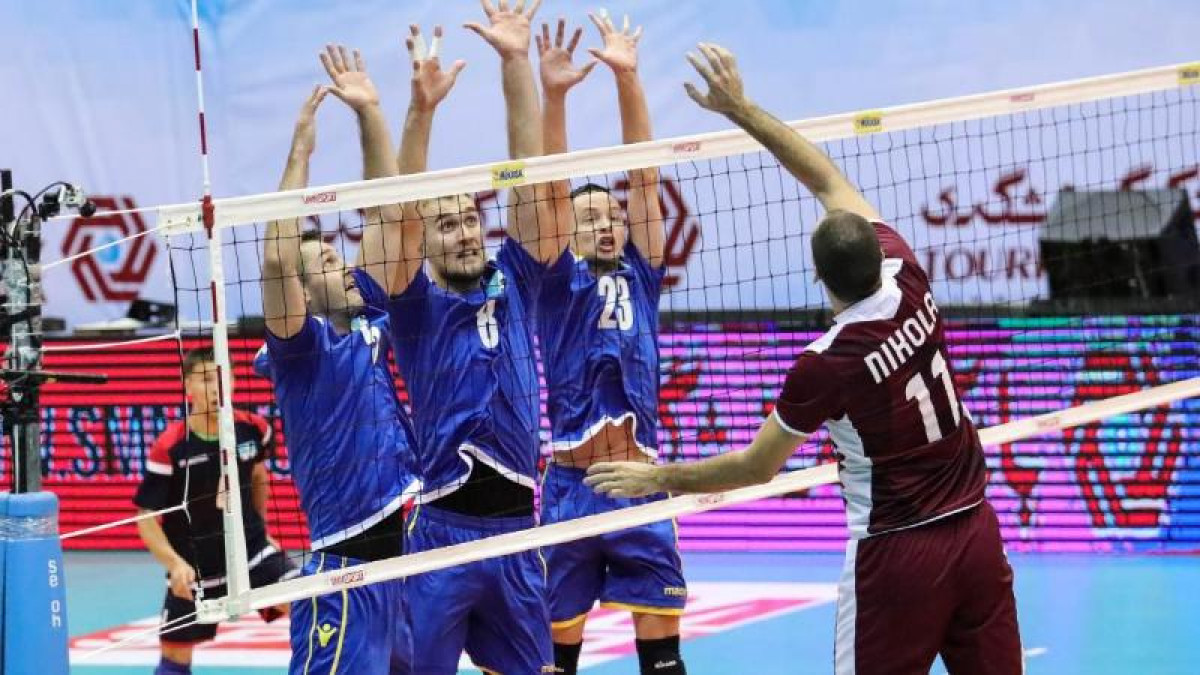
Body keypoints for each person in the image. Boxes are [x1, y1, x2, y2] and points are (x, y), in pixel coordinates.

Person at [586, 43, 1022, 675]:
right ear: (877, 251)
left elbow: (756, 467)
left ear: (818, 278)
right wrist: (741, 107)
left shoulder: (828, 362)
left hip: (897, 555)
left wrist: (657, 481)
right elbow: (827, 181)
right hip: (978, 531)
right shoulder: (907, 274)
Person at [358, 1, 560, 672]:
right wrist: (421, 111)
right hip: (442, 534)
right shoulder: (415, 306)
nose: (466, 232)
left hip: (517, 534)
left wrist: (515, 61)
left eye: (471, 218)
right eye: (447, 225)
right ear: (429, 241)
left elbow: (531, 177)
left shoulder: (517, 279)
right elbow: (398, 218)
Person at [252, 31, 460, 671]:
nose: (341, 266)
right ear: (303, 291)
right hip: (346, 563)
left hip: (407, 553)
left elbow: (388, 216)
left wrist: (370, 110)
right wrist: (300, 155)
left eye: (337, 256)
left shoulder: (369, 312)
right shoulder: (300, 347)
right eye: (324, 263)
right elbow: (274, 259)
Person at [533, 12, 685, 675]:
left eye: (612, 215)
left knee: (664, 661)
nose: (605, 223)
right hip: (570, 487)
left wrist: (629, 77)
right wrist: (555, 96)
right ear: (567, 230)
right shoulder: (555, 282)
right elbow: (549, 191)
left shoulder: (641, 274)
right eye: (589, 216)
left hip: (641, 482)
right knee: (555, 659)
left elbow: (644, 178)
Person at [134, 348, 295, 675]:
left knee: (309, 604)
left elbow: (258, 476)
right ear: (187, 385)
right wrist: (174, 564)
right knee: (174, 657)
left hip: (251, 553)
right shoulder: (171, 446)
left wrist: (262, 530)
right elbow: (146, 516)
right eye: (206, 379)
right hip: (195, 566)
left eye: (223, 378)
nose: (215, 388)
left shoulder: (254, 429)